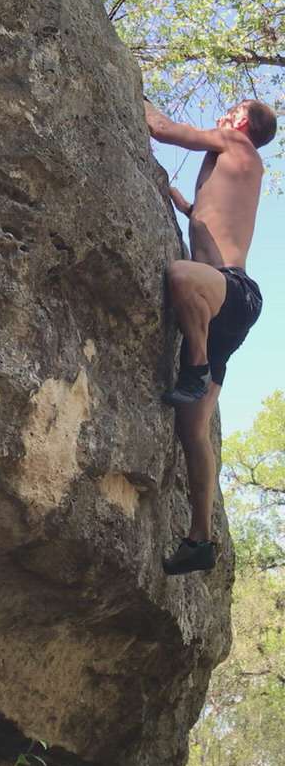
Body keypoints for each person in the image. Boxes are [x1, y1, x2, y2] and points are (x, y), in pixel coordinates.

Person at [143, 97, 277, 575]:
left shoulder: (234, 141)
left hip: (232, 292)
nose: (223, 115)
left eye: (232, 110)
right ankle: (200, 538)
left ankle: (195, 366)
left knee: (180, 275)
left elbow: (159, 128)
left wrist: (134, 93)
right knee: (192, 429)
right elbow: (211, 218)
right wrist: (185, 205)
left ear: (241, 121)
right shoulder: (231, 165)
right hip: (224, 305)